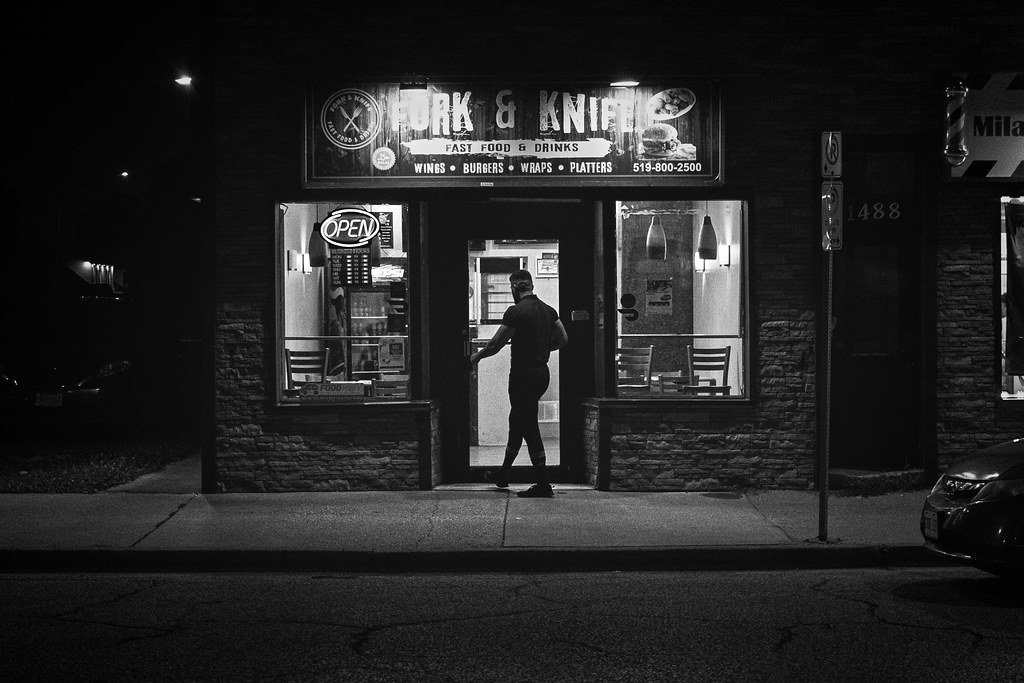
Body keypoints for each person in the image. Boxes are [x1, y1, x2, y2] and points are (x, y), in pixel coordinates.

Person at [469, 269, 568, 498]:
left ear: (514, 288)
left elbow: (495, 343)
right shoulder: (548, 310)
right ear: (531, 286)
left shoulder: (515, 312)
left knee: (528, 425)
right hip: (541, 374)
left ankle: (543, 483)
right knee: (518, 420)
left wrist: (476, 357)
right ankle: (503, 474)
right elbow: (562, 339)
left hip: (522, 376)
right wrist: (543, 349)